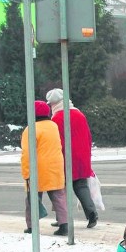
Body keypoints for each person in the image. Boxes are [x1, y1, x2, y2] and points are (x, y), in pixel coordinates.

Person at [46, 88, 98, 228]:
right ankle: (91, 213)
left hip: (64, 157)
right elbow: (88, 136)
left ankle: (61, 218)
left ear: (54, 104)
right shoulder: (79, 114)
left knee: (59, 189)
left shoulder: (56, 118)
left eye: (51, 104)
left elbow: (56, 141)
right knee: (81, 186)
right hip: (82, 156)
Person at [21, 100, 68, 236]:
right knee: (59, 197)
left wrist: (26, 172)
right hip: (56, 166)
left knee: (32, 199)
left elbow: (27, 153)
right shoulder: (53, 126)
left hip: (38, 169)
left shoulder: (30, 129)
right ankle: (64, 225)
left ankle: (32, 226)